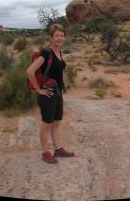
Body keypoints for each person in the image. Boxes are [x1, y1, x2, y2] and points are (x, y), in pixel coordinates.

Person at [26, 24, 74, 164]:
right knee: (46, 125)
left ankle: (58, 149)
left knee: (56, 123)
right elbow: (30, 71)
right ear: (51, 38)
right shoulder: (46, 53)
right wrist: (38, 89)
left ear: (64, 37)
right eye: (56, 36)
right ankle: (45, 152)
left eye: (62, 35)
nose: (60, 38)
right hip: (47, 94)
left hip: (58, 93)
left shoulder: (59, 51)